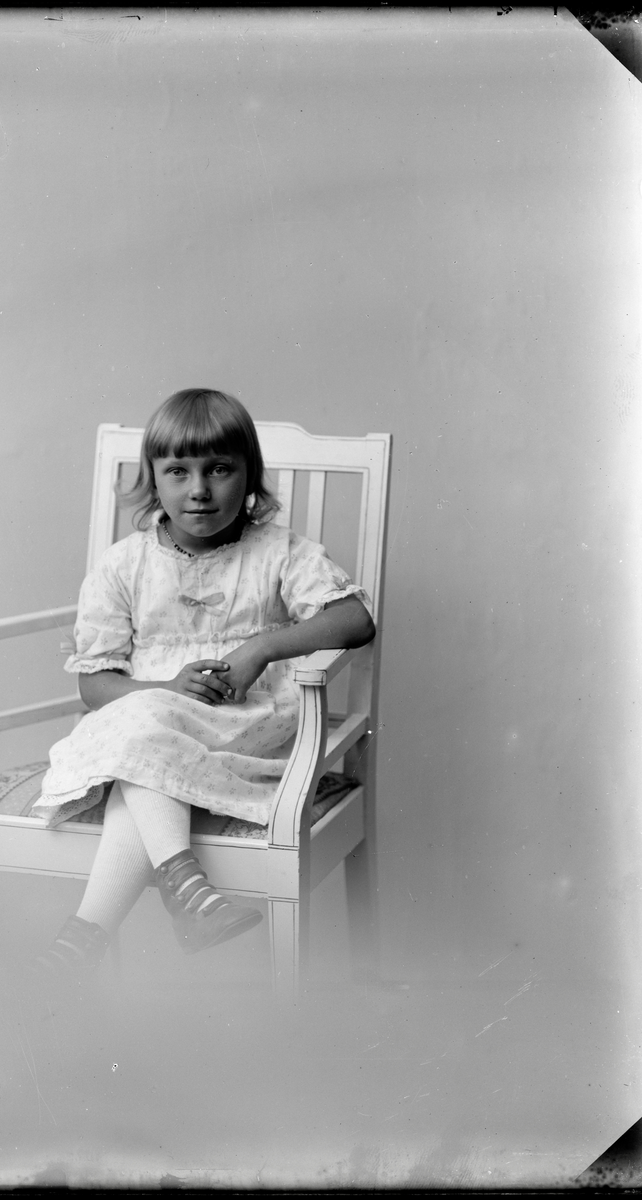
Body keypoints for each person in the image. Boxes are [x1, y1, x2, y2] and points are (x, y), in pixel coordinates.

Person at [29, 389, 375, 978]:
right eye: (178, 472)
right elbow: (95, 687)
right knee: (142, 733)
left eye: (219, 469)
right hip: (151, 730)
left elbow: (356, 619)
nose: (199, 490)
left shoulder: (279, 552)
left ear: (249, 475)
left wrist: (261, 647)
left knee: (138, 753)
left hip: (248, 729)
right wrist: (165, 688)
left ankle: (93, 931)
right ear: (153, 480)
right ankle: (179, 897)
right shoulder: (124, 565)